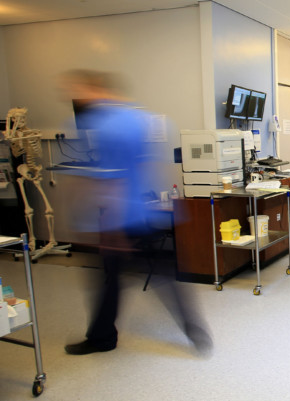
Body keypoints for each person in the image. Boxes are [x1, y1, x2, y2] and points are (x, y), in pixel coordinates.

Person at [59, 69, 212, 355]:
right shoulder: (137, 118)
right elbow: (142, 165)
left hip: (120, 216)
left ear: (93, 89)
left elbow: (112, 177)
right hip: (141, 209)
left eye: (77, 89)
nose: (73, 95)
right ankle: (194, 329)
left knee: (112, 277)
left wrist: (110, 225)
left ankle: (103, 337)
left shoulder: (102, 125)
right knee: (153, 275)